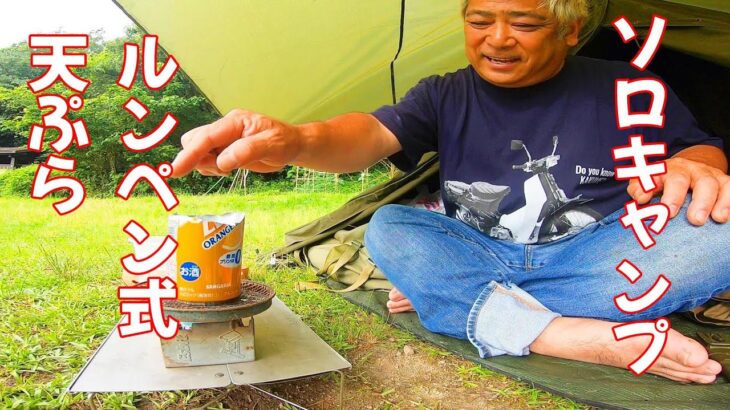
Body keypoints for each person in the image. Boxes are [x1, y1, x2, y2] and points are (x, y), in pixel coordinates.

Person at [171, 0, 730, 384]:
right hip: (484, 252)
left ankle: (471, 304)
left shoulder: (628, 85)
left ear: (569, 29)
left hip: (600, 260)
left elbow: (700, 150)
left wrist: (696, 165)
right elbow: (365, 134)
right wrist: (297, 139)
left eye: (525, 23)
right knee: (393, 226)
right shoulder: (444, 94)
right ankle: (572, 335)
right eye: (480, 20)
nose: (498, 39)